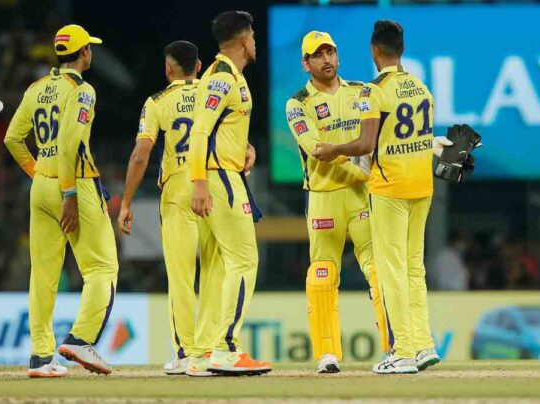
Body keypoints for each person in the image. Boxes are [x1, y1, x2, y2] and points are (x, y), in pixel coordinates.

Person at [313, 20, 447, 374]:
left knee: (391, 270)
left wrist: (335, 149)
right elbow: (416, 139)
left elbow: (365, 144)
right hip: (422, 186)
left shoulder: (373, 92)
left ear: (374, 50)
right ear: (401, 49)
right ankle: (423, 344)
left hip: (389, 189)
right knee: (414, 268)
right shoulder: (421, 87)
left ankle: (402, 351)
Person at [118, 41, 255, 377]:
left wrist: (127, 202)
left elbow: (140, 154)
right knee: (214, 269)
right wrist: (248, 148)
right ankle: (208, 348)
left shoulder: (157, 102)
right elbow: (229, 132)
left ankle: (186, 353)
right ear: (199, 66)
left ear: (168, 69)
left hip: (179, 189)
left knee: (181, 275)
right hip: (211, 180)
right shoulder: (213, 88)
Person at [4, 24, 119, 377]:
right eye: (90, 48)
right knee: (102, 268)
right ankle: (81, 339)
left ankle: (41, 358)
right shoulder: (82, 91)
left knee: (43, 275)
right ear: (84, 53)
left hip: (40, 185)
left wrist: (40, 172)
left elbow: (12, 139)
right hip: (76, 185)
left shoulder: (36, 88)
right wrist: (68, 192)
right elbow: (70, 144)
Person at [284, 31, 390, 373]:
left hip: (361, 197)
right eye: (318, 55)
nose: (326, 59)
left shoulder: (361, 91)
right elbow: (316, 148)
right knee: (323, 274)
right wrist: (358, 168)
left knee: (378, 269)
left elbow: (382, 138)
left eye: (330, 52)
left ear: (338, 55)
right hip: (324, 197)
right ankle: (326, 354)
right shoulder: (298, 103)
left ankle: (395, 347)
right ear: (306, 64)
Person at [187, 10, 271, 376]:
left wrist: (243, 146)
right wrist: (199, 182)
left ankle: (203, 352)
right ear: (243, 40)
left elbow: (220, 127)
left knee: (220, 266)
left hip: (221, 173)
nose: (254, 42)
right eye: (252, 36)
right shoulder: (222, 78)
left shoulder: (228, 75)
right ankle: (226, 348)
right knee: (244, 260)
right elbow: (200, 132)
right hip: (218, 178)